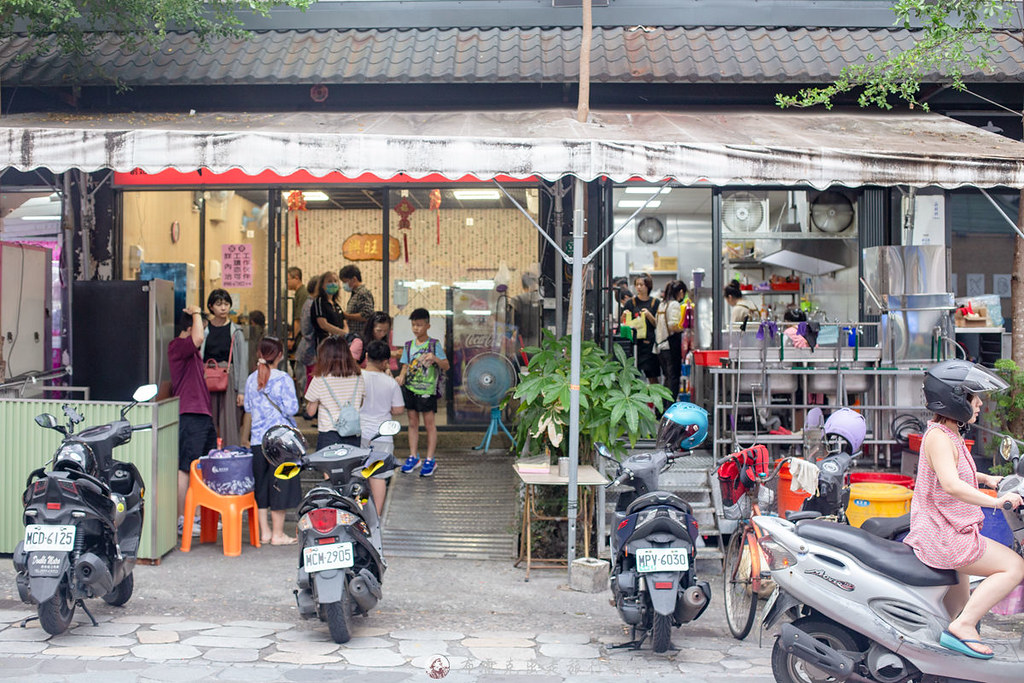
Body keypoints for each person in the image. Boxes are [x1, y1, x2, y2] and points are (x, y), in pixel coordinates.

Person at [903, 360, 1024, 659]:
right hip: (945, 535)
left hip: (947, 529)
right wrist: (997, 502)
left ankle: (955, 645)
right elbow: (951, 485)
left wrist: (988, 480)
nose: (980, 403)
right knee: (1014, 567)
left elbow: (957, 472)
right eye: (974, 396)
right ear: (956, 398)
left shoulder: (947, 433)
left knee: (955, 609)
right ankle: (964, 627)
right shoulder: (939, 438)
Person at [243, 337, 300, 546]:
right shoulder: (283, 378)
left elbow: (248, 409)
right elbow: (292, 409)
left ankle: (264, 532)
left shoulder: (251, 379)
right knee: (280, 484)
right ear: (279, 355)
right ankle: (277, 534)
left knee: (262, 486)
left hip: (258, 440)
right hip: (280, 442)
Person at [168, 306, 218, 537]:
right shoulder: (178, 346)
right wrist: (197, 313)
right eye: (201, 327)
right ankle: (182, 518)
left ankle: (198, 517)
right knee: (186, 468)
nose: (203, 334)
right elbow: (197, 337)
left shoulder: (191, 352)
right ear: (189, 328)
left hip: (201, 414)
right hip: (189, 414)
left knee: (201, 467)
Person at [396, 307, 449, 477]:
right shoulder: (408, 345)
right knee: (412, 422)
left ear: (428, 325)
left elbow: (446, 365)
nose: (416, 328)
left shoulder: (434, 345)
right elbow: (405, 365)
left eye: (419, 325)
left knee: (429, 425)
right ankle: (413, 456)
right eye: (413, 325)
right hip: (411, 389)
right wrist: (402, 376)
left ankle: (430, 459)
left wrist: (435, 359)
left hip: (427, 390)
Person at [359, 340, 405, 516]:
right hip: (382, 435)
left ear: (367, 357)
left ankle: (360, 512)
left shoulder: (357, 377)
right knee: (378, 476)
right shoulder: (390, 382)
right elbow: (399, 409)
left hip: (359, 433)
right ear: (386, 362)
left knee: (360, 475)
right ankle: (376, 516)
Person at [201, 288, 248, 447]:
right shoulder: (204, 330)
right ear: (211, 306)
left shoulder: (236, 331)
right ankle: (209, 454)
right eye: (219, 304)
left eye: (226, 304)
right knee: (208, 419)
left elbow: (242, 362)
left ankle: (231, 455)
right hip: (208, 376)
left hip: (229, 376)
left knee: (230, 420)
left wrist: (241, 390)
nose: (223, 308)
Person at [305, 335, 365, 450]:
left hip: (329, 435)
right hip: (353, 433)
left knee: (328, 467)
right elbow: (360, 403)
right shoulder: (358, 376)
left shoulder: (320, 379)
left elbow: (311, 412)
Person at [622, 274, 660, 382]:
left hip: (649, 344)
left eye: (641, 284)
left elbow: (658, 324)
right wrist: (624, 316)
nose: (638, 287)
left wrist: (649, 315)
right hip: (634, 344)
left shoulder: (655, 303)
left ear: (648, 286)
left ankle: (654, 397)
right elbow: (623, 324)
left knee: (652, 374)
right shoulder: (630, 303)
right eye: (636, 284)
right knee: (633, 374)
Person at [656, 279, 687, 401]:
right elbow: (673, 325)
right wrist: (686, 328)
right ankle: (670, 406)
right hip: (670, 346)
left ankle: (663, 408)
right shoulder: (674, 304)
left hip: (660, 346)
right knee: (673, 378)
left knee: (667, 378)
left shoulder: (662, 304)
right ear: (680, 292)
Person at [311, 271, 348, 350]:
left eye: (335, 281)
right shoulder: (319, 302)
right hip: (325, 344)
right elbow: (323, 324)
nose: (333, 284)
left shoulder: (336, 305)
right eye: (329, 281)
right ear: (322, 285)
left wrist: (345, 333)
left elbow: (344, 322)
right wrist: (341, 333)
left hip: (338, 344)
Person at [294, 276, 320, 392]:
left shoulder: (314, 303)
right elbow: (305, 328)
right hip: (309, 351)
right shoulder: (310, 304)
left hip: (310, 350)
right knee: (308, 385)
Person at [339, 264, 375, 338]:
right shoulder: (355, 294)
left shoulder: (363, 293)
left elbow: (367, 315)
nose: (344, 285)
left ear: (354, 279)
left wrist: (347, 316)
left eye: (345, 282)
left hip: (360, 337)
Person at [511, 271, 543, 351]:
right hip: (539, 342)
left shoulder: (518, 300)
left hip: (522, 344)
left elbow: (512, 323)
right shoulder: (542, 301)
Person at [286, 266, 308, 360]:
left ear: (296, 278)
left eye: (288, 279)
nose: (287, 282)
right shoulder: (299, 293)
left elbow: (299, 320)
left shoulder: (303, 293)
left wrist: (291, 338)